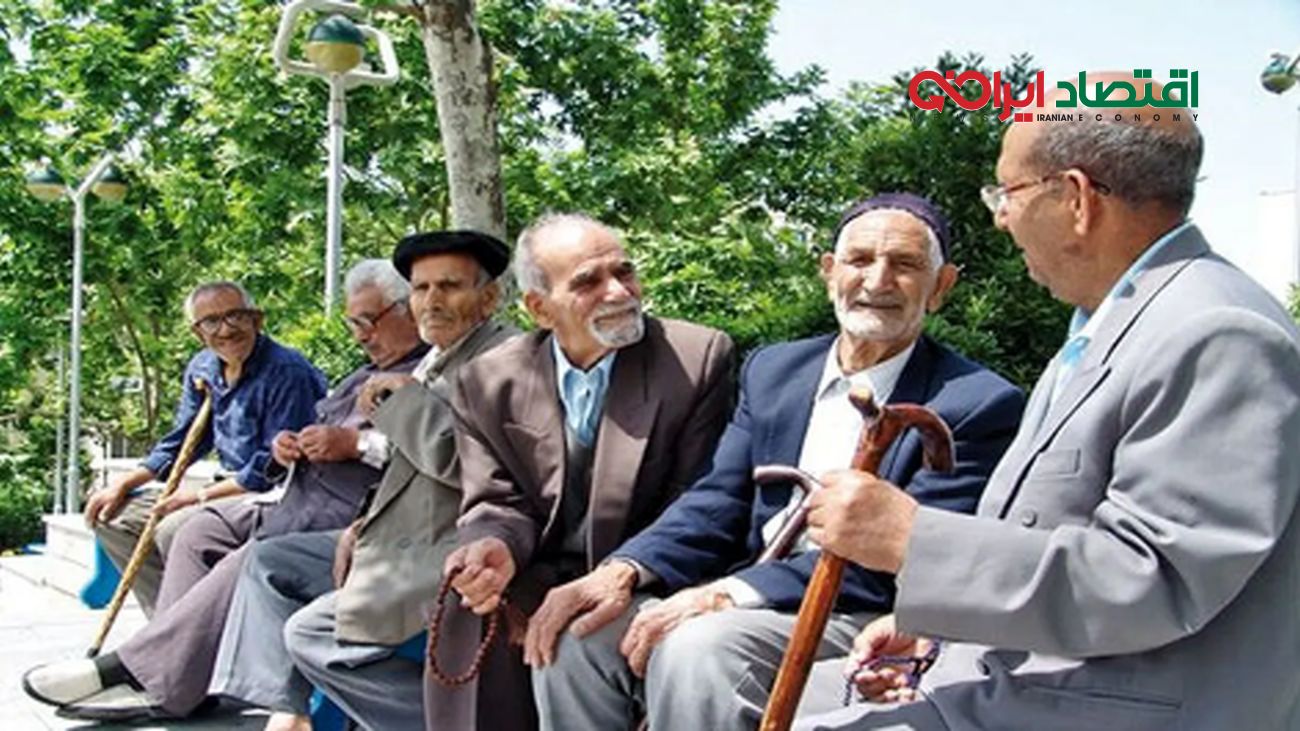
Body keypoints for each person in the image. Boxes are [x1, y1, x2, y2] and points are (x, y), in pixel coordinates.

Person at [795, 73, 1300, 731]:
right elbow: (1057, 530)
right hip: (1039, 680)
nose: (999, 216)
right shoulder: (1116, 322)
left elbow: (1152, 579)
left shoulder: (1216, 333)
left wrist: (910, 538)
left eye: (1007, 192)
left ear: (1077, 198)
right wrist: (943, 630)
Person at [527, 194, 1025, 731]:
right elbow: (716, 500)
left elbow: (899, 562)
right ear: (829, 272)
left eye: (904, 265)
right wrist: (623, 569)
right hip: (751, 600)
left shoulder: (974, 404)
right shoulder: (775, 370)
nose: (877, 281)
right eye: (859, 260)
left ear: (941, 286)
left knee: (698, 648)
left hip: (857, 613)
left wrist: (726, 595)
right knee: (578, 634)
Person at [22, 260, 428, 721]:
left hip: (340, 512)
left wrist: (352, 445)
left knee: (243, 552)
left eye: (369, 321)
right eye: (354, 323)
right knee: (197, 532)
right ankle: (174, 671)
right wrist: (288, 447)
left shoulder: (414, 374)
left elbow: (434, 451)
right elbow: (191, 441)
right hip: (290, 495)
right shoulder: (355, 372)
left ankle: (147, 673)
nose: (361, 336)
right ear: (197, 332)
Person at [430, 213, 737, 730]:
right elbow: (495, 499)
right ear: (539, 309)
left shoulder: (695, 358)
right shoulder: (486, 381)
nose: (618, 291)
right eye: (587, 282)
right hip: (538, 570)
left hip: (649, 571)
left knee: (576, 633)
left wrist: (620, 575)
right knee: (470, 609)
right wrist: (494, 547)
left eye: (624, 272)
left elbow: (700, 500)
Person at [209, 230, 517, 731]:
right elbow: (404, 462)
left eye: (449, 286)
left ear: (488, 298)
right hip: (395, 538)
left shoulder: (503, 358)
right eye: (421, 289)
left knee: (311, 634)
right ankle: (289, 713)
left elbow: (466, 463)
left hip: (450, 550)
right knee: (268, 561)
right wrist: (363, 524)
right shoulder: (439, 356)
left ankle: (455, 720)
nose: (432, 301)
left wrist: (401, 402)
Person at [84, 280, 327, 614]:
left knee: (174, 528)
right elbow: (183, 441)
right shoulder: (203, 368)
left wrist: (198, 498)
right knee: (113, 518)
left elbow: (271, 467)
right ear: (198, 332)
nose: (225, 330)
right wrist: (124, 484)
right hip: (227, 488)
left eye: (235, 316)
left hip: (276, 494)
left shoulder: (288, 371)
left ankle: (188, 626)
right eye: (211, 322)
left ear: (256, 319)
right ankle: (169, 622)